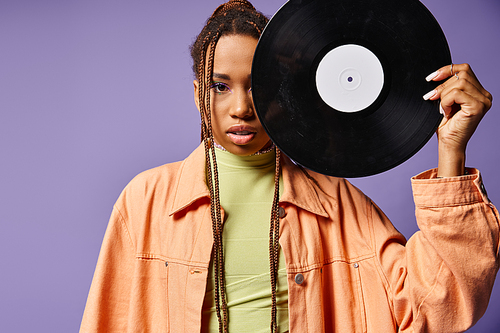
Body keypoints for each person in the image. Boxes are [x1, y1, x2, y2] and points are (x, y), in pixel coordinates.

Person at [80, 0, 498, 332]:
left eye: (257, 87)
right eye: (220, 86)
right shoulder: (145, 200)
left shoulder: (335, 202)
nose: (241, 108)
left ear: (284, 91)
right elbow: (107, 322)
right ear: (197, 94)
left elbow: (439, 304)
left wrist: (451, 150)